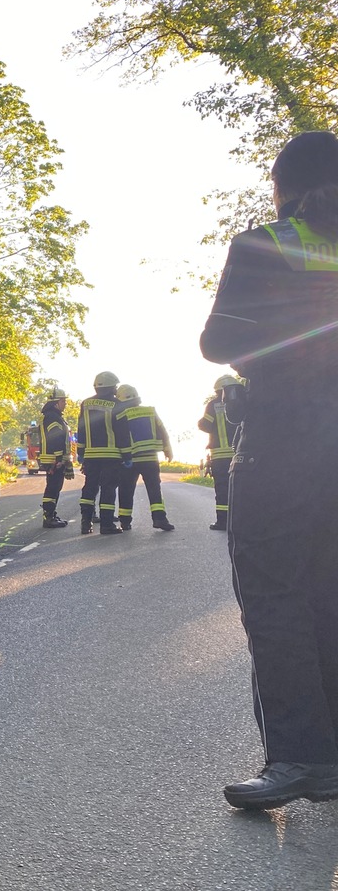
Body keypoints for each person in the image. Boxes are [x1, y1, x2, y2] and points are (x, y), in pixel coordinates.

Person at [200, 131, 338, 810]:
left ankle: (302, 758)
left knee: (275, 592)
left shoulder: (268, 243)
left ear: (284, 186)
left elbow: (220, 340)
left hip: (288, 437)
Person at [111, 384, 175, 531]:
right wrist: (168, 450)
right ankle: (160, 518)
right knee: (154, 489)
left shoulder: (121, 414)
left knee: (126, 490)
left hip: (129, 460)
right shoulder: (150, 411)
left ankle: (125, 521)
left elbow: (118, 437)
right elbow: (163, 431)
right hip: (150, 458)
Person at [76, 371, 130, 535]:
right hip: (111, 456)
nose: (116, 389)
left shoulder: (86, 404)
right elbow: (122, 433)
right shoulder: (117, 405)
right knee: (108, 489)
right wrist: (127, 455)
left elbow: (81, 429)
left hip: (91, 455)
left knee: (89, 488)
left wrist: (81, 451)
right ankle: (107, 525)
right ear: (111, 386)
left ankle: (86, 523)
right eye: (115, 386)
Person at [198, 375, 242, 530]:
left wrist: (200, 423)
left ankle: (222, 522)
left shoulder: (213, 404)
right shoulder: (243, 402)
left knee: (222, 489)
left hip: (220, 456)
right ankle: (240, 521)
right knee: (241, 488)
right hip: (240, 454)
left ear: (218, 390)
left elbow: (206, 425)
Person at [38, 387, 72, 527]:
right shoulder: (53, 417)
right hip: (53, 459)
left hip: (52, 458)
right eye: (63, 400)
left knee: (54, 487)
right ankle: (49, 517)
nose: (65, 403)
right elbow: (55, 438)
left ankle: (51, 515)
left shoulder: (51, 415)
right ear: (56, 402)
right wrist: (59, 459)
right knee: (53, 487)